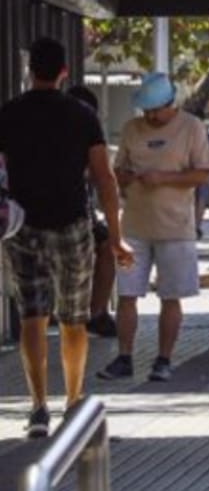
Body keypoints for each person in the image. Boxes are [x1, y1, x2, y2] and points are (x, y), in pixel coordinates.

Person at [0, 38, 132, 437]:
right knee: (74, 319)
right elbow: (104, 178)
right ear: (63, 72)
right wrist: (116, 237)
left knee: (32, 317)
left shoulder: (8, 114)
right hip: (72, 226)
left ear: (29, 71)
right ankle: (73, 400)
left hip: (23, 227)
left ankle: (38, 406)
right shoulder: (82, 115)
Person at [97, 72, 209, 383]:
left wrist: (164, 179)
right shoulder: (131, 129)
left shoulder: (192, 127)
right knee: (127, 294)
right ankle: (124, 357)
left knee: (170, 296)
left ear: (170, 104)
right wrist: (124, 177)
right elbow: (117, 169)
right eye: (146, 110)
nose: (150, 116)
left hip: (176, 227)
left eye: (155, 110)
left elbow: (204, 173)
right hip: (134, 226)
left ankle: (164, 359)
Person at [66, 85, 118, 339]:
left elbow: (102, 178)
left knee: (106, 245)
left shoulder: (90, 136)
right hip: (56, 215)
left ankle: (97, 312)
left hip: (83, 213)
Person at [186, 105, 209, 239]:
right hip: (206, 169)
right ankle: (197, 226)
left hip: (189, 170)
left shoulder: (187, 133)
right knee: (202, 198)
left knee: (190, 198)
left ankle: (191, 226)